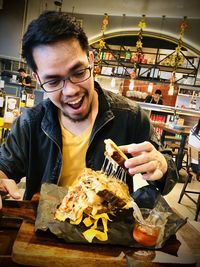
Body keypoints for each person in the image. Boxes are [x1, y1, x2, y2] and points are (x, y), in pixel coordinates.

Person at [0, 11, 178, 208]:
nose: (71, 90)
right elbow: (4, 166)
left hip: (109, 230)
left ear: (91, 61)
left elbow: (168, 176)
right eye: (53, 81)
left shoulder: (131, 117)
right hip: (42, 230)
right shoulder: (29, 123)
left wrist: (160, 165)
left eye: (78, 72)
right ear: (38, 79)